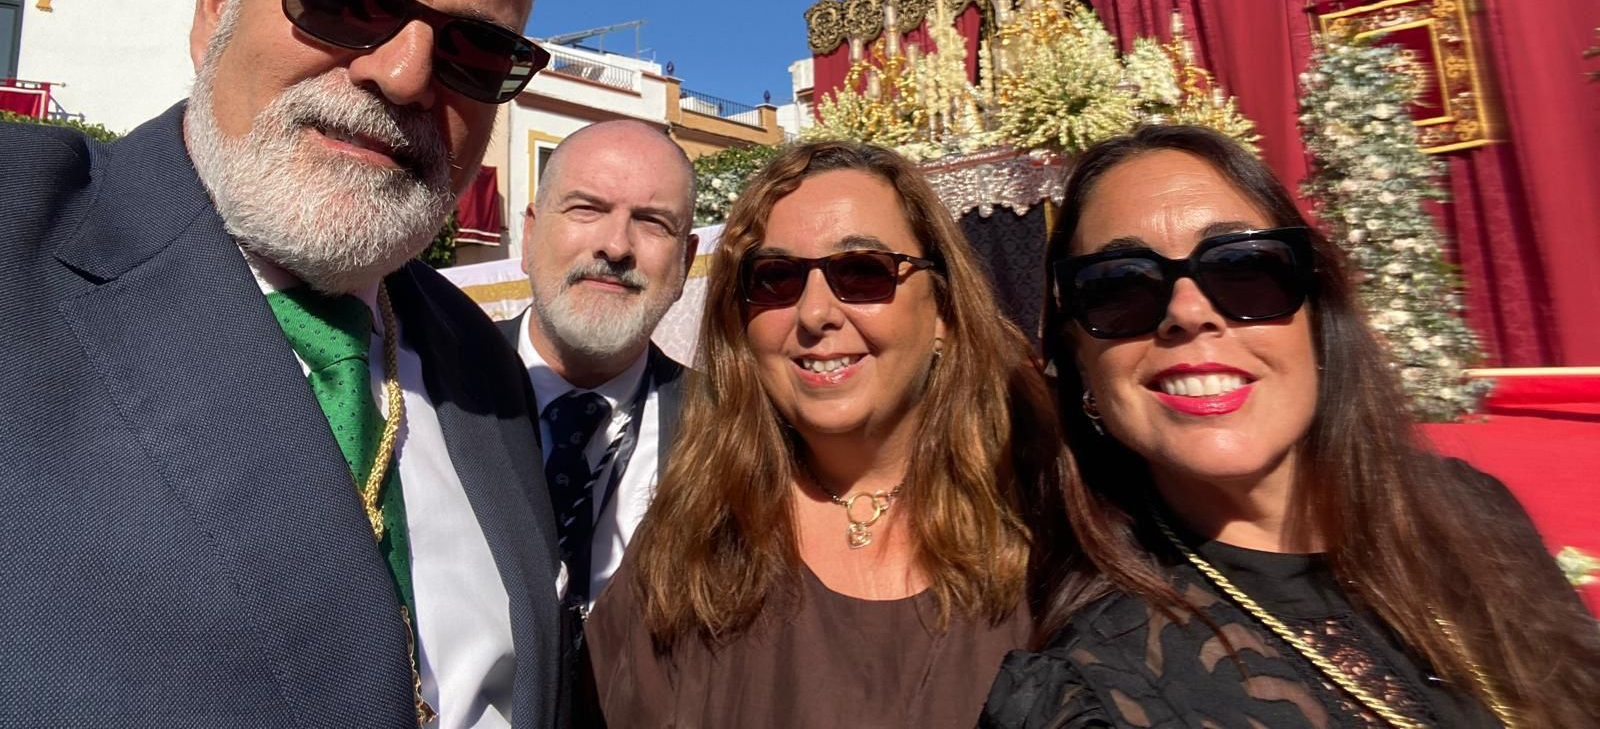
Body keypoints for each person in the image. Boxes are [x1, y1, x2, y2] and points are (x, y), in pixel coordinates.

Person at [0, 0, 568, 729]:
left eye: (475, 50)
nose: (403, 74)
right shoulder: (22, 240)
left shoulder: (479, 365)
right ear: (220, 0)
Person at [981, 124, 1600, 729]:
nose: (1188, 312)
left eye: (1243, 267)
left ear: (1317, 313)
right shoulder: (1095, 691)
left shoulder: (1472, 510)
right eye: (1118, 285)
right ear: (1081, 363)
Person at [586, 140, 1065, 729]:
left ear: (942, 311)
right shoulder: (690, 535)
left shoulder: (1050, 525)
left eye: (862, 272)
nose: (815, 314)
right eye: (775, 278)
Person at [501, 121, 696, 605]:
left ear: (686, 264)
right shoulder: (431, 385)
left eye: (653, 222)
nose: (616, 246)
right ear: (529, 236)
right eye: (586, 209)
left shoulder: (729, 428)